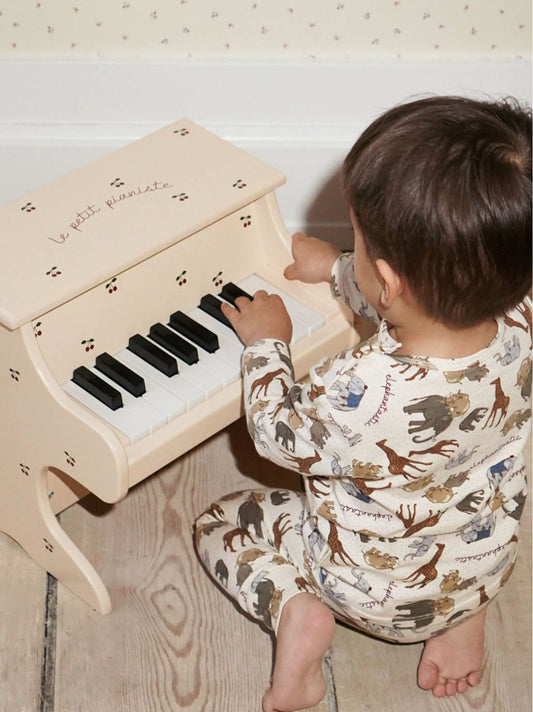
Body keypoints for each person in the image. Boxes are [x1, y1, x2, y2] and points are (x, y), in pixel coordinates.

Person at [194, 96, 532, 712]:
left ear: (391, 278)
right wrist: (339, 269)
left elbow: (275, 435)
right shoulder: (520, 316)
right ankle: (460, 617)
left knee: (219, 522)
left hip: (364, 592)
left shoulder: (360, 389)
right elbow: (406, 294)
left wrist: (268, 345)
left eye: (357, 240)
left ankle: (297, 612)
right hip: (481, 564)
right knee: (458, 514)